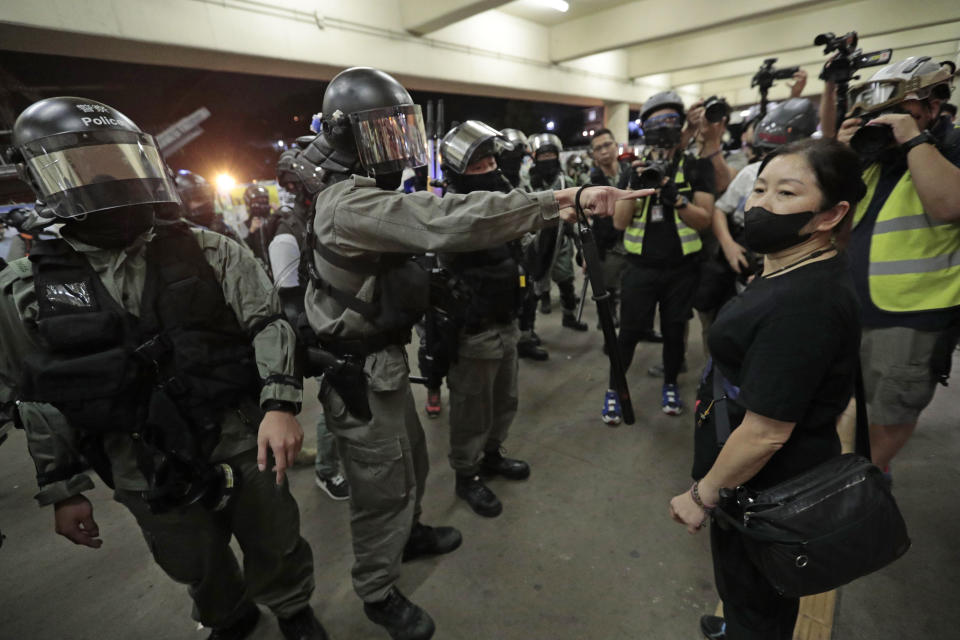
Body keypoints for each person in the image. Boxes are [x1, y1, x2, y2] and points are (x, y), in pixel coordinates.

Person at [302, 66, 644, 640]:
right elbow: (447, 221)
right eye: (379, 136)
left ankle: (407, 537)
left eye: (397, 134)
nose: (394, 152)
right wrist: (559, 199)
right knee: (380, 491)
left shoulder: (364, 197)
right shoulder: (348, 205)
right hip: (360, 373)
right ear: (344, 138)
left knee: (408, 466)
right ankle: (378, 591)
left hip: (383, 364)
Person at [0, 96, 327, 640]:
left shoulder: (210, 250)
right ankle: (228, 613)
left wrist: (278, 405)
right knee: (191, 560)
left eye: (118, 163)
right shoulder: (24, 288)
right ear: (42, 182)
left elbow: (267, 323)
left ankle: (291, 607)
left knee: (276, 538)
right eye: (83, 170)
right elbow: (37, 391)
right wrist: (63, 487)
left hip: (238, 435)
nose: (107, 184)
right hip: (138, 460)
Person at [669, 138, 866, 640]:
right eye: (759, 188)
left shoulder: (807, 303)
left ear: (831, 214)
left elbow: (766, 433)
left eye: (785, 193)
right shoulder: (791, 265)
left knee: (759, 602)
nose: (759, 205)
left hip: (764, 486)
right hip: (749, 478)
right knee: (744, 591)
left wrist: (703, 494)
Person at [828, 57, 960, 475]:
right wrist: (841, 158)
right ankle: (847, 480)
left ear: (933, 107)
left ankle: (864, 487)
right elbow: (839, 232)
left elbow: (947, 205)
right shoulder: (874, 157)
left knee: (889, 412)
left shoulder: (950, 148)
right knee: (847, 403)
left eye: (895, 110)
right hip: (854, 307)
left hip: (912, 317)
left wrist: (913, 140)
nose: (882, 121)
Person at [602, 91, 715, 424]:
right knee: (629, 333)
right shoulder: (631, 169)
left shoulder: (696, 166)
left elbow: (705, 220)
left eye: (670, 120)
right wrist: (635, 187)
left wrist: (676, 199)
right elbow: (620, 222)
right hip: (639, 269)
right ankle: (614, 389)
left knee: (674, 329)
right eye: (655, 122)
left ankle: (669, 383)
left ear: (680, 125)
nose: (663, 127)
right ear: (644, 128)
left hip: (682, 270)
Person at [437, 120, 531, 518]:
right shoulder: (450, 209)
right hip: (472, 330)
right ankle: (467, 473)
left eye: (491, 160)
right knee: (472, 407)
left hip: (506, 320)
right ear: (459, 173)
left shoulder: (506, 197)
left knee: (505, 399)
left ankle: (491, 455)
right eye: (478, 165)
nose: (489, 168)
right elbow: (476, 229)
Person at [271, 145, 350, 502]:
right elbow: (290, 299)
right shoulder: (289, 230)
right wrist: (315, 345)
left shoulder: (318, 217)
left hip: (334, 319)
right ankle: (327, 470)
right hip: (317, 330)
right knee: (335, 399)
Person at [528, 133, 588, 331]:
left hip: (561, 242)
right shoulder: (527, 183)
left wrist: (581, 246)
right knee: (534, 285)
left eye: (550, 155)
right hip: (535, 242)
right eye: (542, 156)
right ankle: (528, 330)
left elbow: (576, 215)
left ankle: (569, 316)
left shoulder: (566, 182)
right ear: (535, 158)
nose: (547, 160)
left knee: (566, 282)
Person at [499, 128, 548, 361]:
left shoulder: (523, 181)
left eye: (519, 158)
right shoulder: (494, 183)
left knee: (528, 296)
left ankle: (525, 338)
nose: (515, 163)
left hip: (522, 251)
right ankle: (513, 339)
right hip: (502, 254)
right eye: (510, 157)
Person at [173, 169, 244, 244]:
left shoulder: (225, 229)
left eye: (208, 197)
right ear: (182, 203)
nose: (207, 202)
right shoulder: (181, 240)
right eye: (199, 198)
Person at [242, 184, 273, 267]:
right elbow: (243, 248)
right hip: (260, 267)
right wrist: (251, 231)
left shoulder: (274, 220)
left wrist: (278, 214)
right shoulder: (245, 224)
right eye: (258, 200)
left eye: (264, 199)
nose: (261, 203)